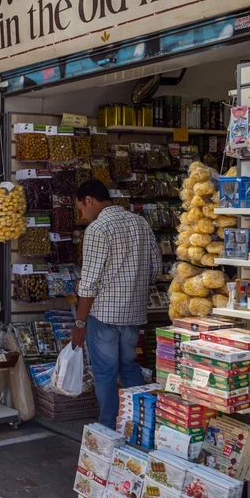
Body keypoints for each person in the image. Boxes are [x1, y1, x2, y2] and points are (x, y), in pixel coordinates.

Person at [70, 180, 162, 429]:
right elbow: (156, 268)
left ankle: (108, 427)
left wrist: (80, 323)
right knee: (129, 366)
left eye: (81, 208)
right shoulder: (140, 223)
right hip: (134, 314)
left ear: (89, 200)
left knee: (105, 373)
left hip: (104, 317)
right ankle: (141, 425)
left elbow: (89, 283)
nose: (82, 214)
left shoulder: (98, 229)